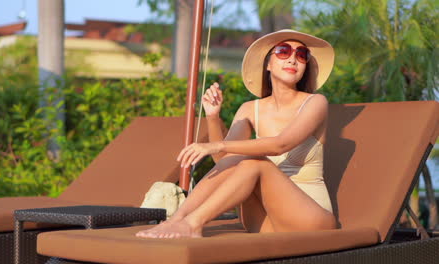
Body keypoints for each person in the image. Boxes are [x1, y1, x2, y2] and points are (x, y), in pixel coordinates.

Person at [136, 29, 337, 238]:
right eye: (284, 51)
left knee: (254, 163)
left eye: (301, 54)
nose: (293, 59)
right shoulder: (250, 109)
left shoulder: (315, 102)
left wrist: (218, 145)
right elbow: (223, 160)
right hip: (264, 221)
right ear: (267, 64)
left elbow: (280, 145)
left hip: (311, 220)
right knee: (237, 160)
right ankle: (178, 219)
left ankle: (193, 223)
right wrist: (213, 117)